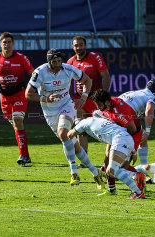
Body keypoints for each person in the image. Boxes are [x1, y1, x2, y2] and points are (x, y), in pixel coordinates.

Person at [25, 48, 104, 188]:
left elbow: (87, 80)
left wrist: (84, 98)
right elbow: (28, 94)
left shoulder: (68, 69)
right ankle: (95, 172)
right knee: (73, 144)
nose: (58, 63)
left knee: (63, 133)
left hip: (67, 106)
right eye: (54, 61)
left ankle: (73, 172)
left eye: (59, 60)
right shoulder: (40, 72)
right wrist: (46, 98)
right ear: (49, 61)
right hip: (50, 112)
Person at [67, 116, 146, 199]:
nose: (82, 135)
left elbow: (69, 134)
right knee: (110, 169)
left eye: (81, 134)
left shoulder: (84, 123)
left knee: (112, 170)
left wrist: (70, 139)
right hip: (125, 139)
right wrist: (133, 151)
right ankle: (116, 188)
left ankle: (137, 188)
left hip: (120, 140)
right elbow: (115, 131)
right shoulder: (98, 121)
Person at [0, 32, 33, 166]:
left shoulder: (22, 58)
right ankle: (26, 155)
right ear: (0, 44)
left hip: (19, 94)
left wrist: (33, 90)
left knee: (18, 120)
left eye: (9, 42)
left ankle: (22, 155)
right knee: (15, 126)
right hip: (4, 97)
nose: (7, 44)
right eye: (4, 42)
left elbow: (33, 74)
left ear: (13, 44)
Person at [90, 89, 143, 195]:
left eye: (99, 105)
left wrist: (132, 150)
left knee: (122, 166)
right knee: (107, 159)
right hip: (116, 133)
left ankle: (139, 178)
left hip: (132, 135)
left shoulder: (120, 111)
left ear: (107, 102)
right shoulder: (108, 105)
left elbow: (132, 129)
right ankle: (111, 189)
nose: (98, 108)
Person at [67, 36, 111, 154]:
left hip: (96, 99)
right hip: (80, 99)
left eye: (81, 45)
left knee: (105, 128)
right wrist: (70, 98)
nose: (79, 47)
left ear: (85, 45)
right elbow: (69, 82)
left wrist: (104, 95)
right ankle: (84, 157)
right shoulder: (70, 62)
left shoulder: (95, 57)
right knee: (80, 127)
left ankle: (111, 155)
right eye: (76, 45)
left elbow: (106, 76)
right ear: (73, 47)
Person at [118, 80, 155, 165]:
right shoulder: (151, 96)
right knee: (139, 139)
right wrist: (148, 132)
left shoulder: (138, 93)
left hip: (113, 112)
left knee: (115, 138)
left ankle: (106, 165)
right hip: (125, 114)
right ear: (154, 90)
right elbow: (149, 112)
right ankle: (141, 167)